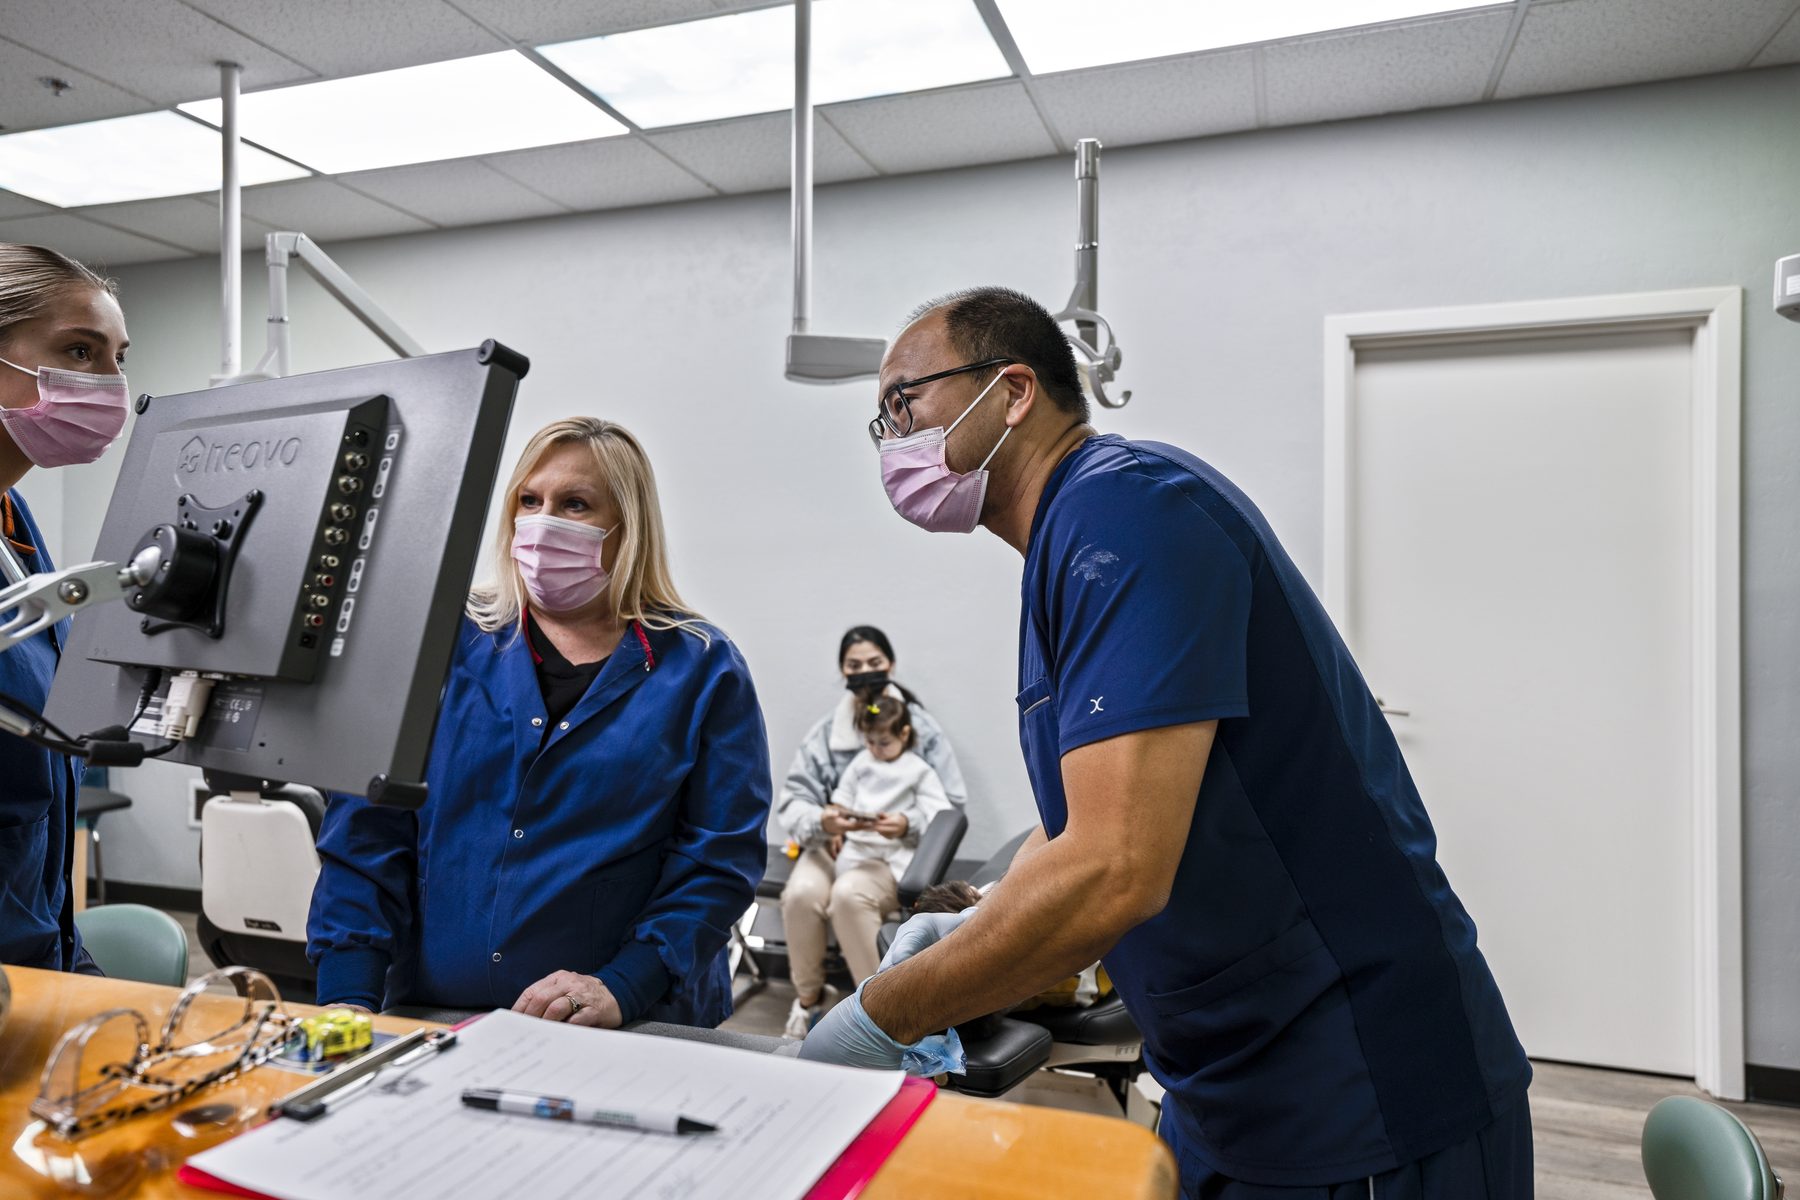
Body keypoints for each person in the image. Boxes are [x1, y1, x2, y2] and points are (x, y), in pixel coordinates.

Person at [803, 287, 1532, 1199]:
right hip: (1227, 1076)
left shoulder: (1126, 515)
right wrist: (981, 915)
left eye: (904, 403)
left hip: (1358, 1084)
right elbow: (1081, 821)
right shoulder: (1068, 545)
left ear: (1014, 391)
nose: (893, 439)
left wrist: (885, 1014)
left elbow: (1115, 867)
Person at [308, 417, 771, 1028]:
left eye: (575, 504)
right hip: (434, 1011)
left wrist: (624, 984)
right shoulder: (438, 643)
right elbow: (365, 832)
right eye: (530, 500)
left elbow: (719, 861)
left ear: (626, 526)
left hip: (629, 1021)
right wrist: (347, 995)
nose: (543, 522)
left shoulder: (703, 668)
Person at [0, 243, 131, 973]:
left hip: (36, 945)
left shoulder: (12, 520)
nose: (110, 383)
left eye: (117, 357)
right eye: (79, 351)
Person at [777, 626, 965, 1038]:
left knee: (849, 895)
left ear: (891, 664)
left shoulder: (920, 731)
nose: (865, 671)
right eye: (854, 665)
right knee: (801, 895)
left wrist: (907, 823)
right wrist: (824, 821)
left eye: (874, 663)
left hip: (887, 852)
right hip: (834, 847)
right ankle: (809, 1000)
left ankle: (881, 1015)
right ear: (842, 671)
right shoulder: (826, 735)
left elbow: (949, 808)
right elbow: (794, 801)